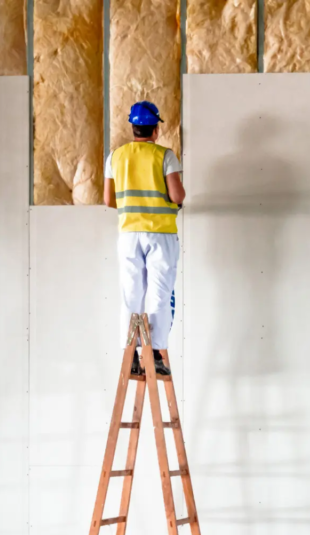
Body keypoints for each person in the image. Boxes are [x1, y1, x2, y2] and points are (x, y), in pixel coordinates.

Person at [103, 101, 186, 376]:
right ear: (155, 130)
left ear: (133, 127)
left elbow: (108, 200)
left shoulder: (116, 156)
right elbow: (177, 195)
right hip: (161, 234)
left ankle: (130, 356)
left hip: (129, 235)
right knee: (159, 293)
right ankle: (156, 355)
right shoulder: (165, 156)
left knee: (131, 294)